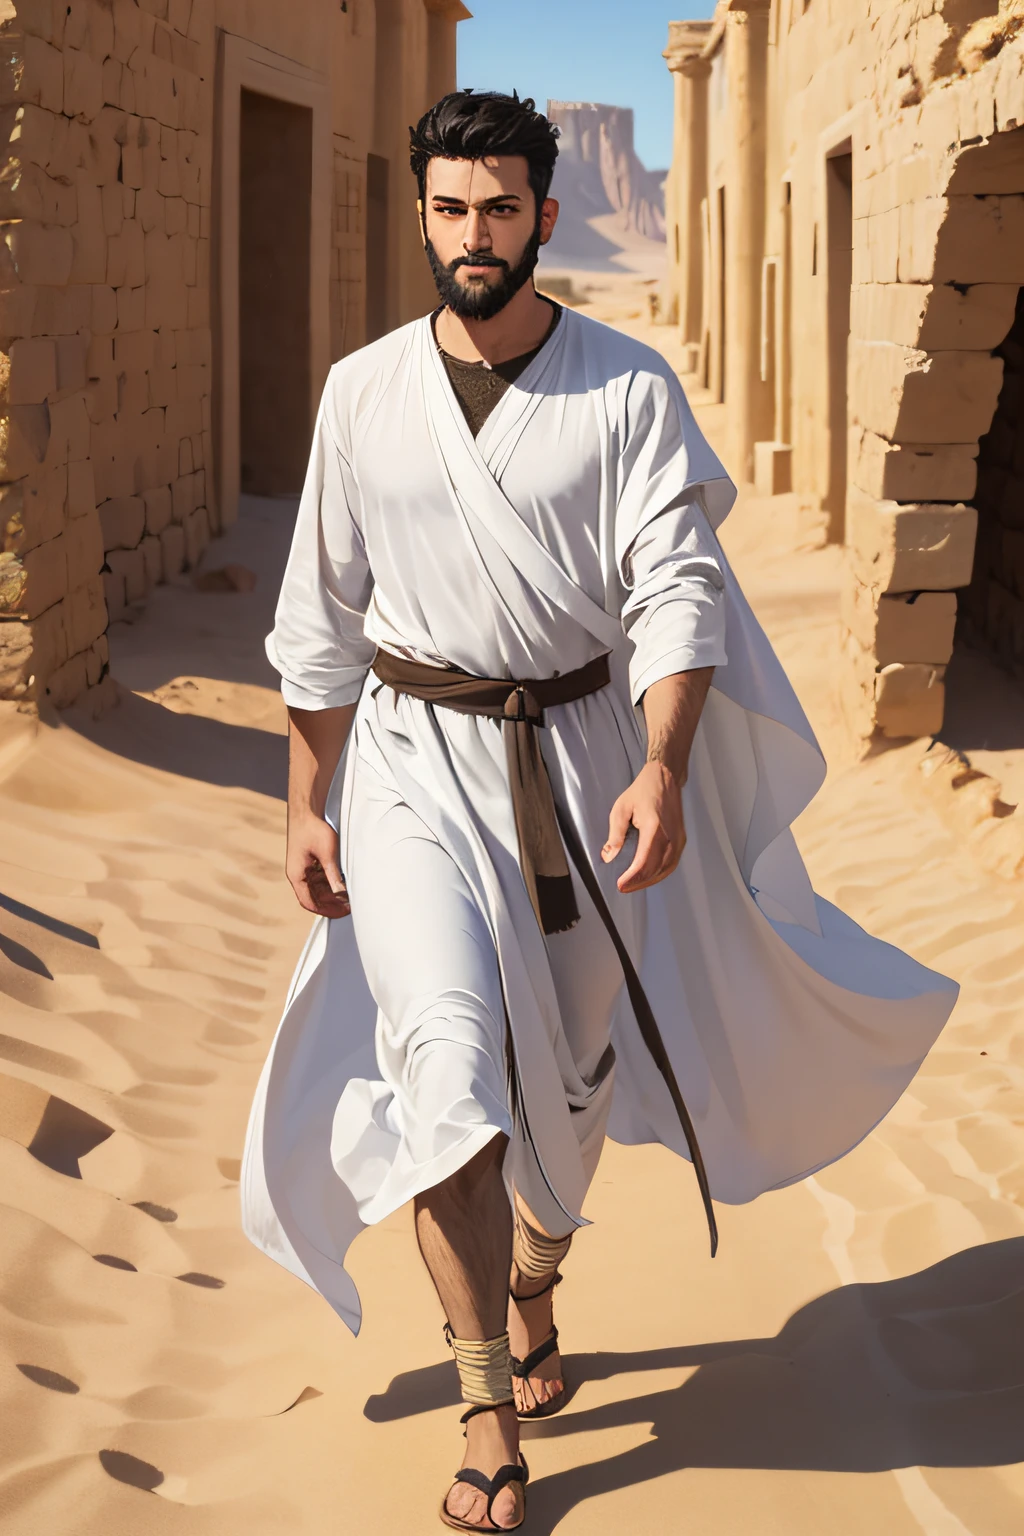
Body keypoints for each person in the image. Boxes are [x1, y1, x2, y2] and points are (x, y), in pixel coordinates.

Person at [241, 91, 957, 1531]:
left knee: (564, 1094)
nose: (473, 236)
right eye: (450, 208)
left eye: (501, 208)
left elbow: (675, 590)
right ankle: (486, 1410)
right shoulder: (360, 392)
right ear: (426, 215)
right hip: (410, 767)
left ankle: (537, 1272)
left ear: (548, 217)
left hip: (571, 762)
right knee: (445, 1072)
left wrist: (664, 762)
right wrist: (307, 800)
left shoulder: (628, 389)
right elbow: (318, 617)